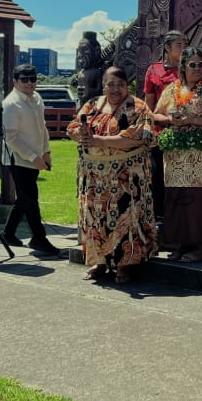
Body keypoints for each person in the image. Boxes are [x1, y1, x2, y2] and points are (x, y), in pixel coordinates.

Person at [66, 66, 157, 284]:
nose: (116, 89)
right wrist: (80, 133)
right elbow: (73, 127)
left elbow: (135, 137)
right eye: (111, 84)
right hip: (95, 179)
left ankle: (125, 264)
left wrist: (99, 141)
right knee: (97, 219)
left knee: (125, 218)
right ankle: (99, 261)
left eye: (121, 84)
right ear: (104, 85)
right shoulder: (92, 105)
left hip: (126, 177)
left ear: (127, 86)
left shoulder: (138, 107)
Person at [153, 47, 202, 263]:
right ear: (183, 67)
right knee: (177, 200)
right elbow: (156, 113)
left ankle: (200, 247)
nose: (197, 68)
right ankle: (179, 244)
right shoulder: (171, 89)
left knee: (199, 203)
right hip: (176, 160)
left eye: (201, 64)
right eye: (193, 65)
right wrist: (170, 120)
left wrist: (192, 120)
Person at [1, 64, 62, 256]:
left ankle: (8, 233)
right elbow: (11, 138)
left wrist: (46, 152)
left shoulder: (36, 98)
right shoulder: (11, 103)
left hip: (35, 156)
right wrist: (33, 157)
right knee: (30, 198)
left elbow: (42, 127)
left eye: (33, 79)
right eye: (24, 79)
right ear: (15, 81)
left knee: (24, 198)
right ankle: (38, 238)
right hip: (18, 159)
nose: (29, 83)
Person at [143, 29, 188, 217]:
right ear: (168, 48)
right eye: (179, 44)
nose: (183, 48)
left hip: (187, 130)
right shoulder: (154, 70)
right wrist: (148, 125)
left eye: (185, 44)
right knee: (159, 175)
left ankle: (182, 215)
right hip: (161, 130)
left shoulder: (189, 68)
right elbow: (148, 105)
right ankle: (159, 215)